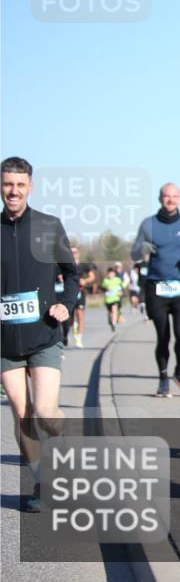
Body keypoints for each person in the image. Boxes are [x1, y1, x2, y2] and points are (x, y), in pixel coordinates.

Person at [1, 157, 79, 512]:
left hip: (45, 332)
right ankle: (42, 484)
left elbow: (72, 276)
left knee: (45, 412)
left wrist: (65, 303)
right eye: (7, 185)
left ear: (30, 186)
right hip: (5, 340)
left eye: (19, 185)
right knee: (22, 412)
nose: (12, 191)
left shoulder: (48, 226)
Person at [131, 183, 180, 397]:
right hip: (156, 286)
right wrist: (141, 249)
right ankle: (163, 378)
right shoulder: (148, 224)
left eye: (174, 196)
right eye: (166, 196)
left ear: (179, 199)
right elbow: (134, 253)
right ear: (160, 198)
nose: (170, 200)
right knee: (163, 337)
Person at [100, 266, 124, 332]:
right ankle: (110, 320)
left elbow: (121, 287)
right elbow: (102, 288)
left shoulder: (118, 280)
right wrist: (106, 289)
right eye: (109, 274)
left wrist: (121, 292)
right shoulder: (105, 281)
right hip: (108, 299)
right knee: (110, 313)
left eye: (112, 273)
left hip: (116, 298)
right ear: (108, 274)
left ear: (114, 274)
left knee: (114, 310)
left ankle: (113, 324)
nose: (111, 275)